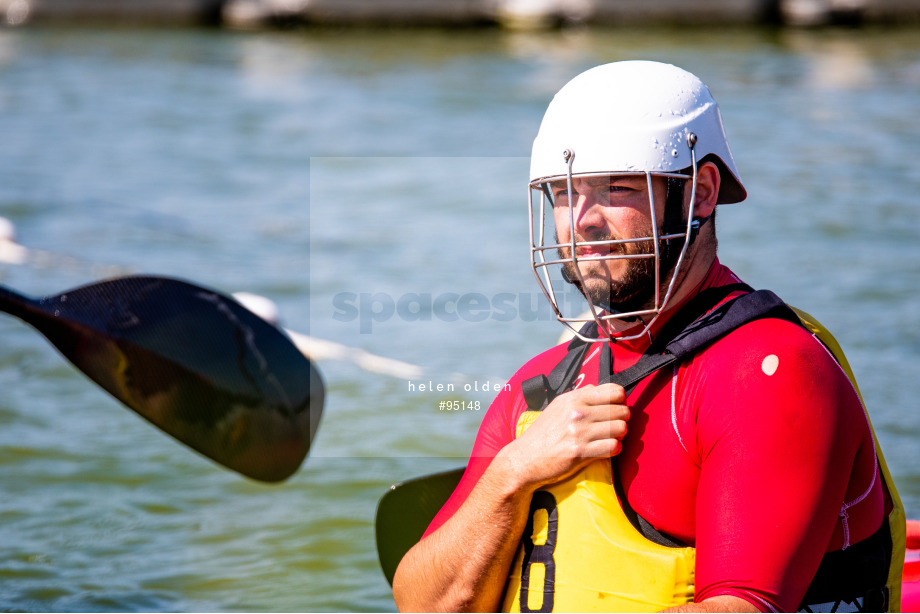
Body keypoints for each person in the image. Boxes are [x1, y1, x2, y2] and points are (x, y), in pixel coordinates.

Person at [391, 61, 904, 613]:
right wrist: (512, 476)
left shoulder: (767, 371)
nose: (582, 220)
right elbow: (422, 605)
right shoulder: (542, 389)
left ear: (701, 192)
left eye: (616, 186)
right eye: (564, 194)